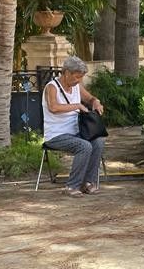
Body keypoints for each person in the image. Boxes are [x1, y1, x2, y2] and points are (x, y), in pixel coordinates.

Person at [42, 56, 106, 197]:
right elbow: (53, 107)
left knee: (98, 141)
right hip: (56, 134)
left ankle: (88, 183)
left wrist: (95, 101)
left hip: (76, 131)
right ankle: (72, 186)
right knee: (84, 146)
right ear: (66, 73)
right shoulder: (52, 87)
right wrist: (76, 105)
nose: (79, 81)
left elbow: (89, 98)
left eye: (81, 78)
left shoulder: (77, 86)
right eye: (77, 77)